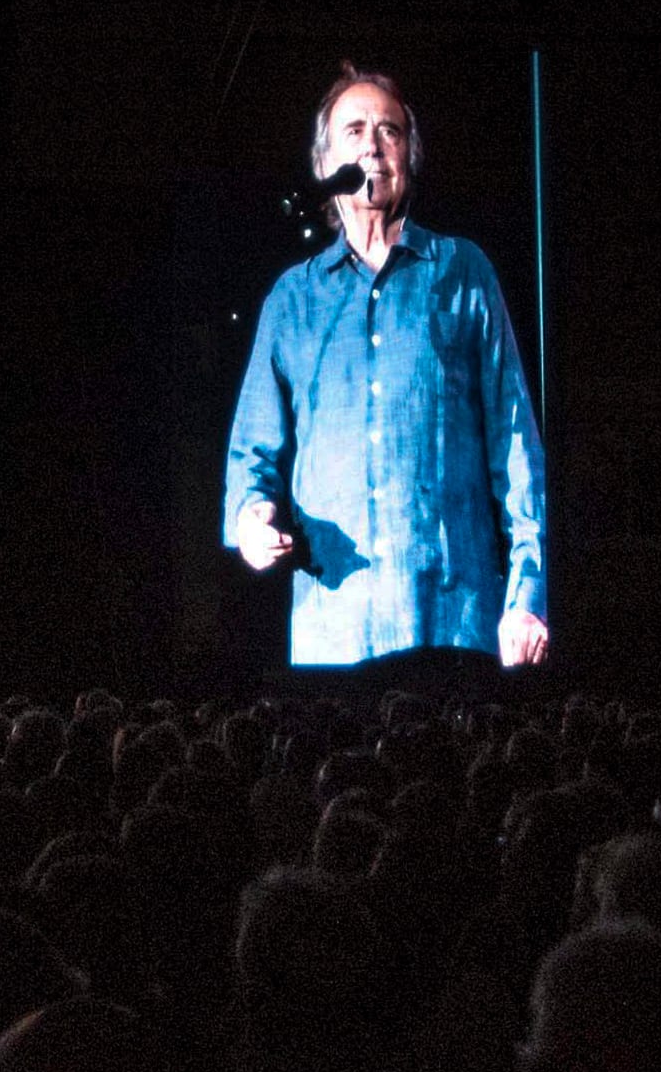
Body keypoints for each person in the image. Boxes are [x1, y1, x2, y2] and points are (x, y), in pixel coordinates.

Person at [224, 66, 548, 672]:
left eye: (389, 131)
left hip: (453, 625)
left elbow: (516, 448)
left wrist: (526, 597)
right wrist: (252, 521)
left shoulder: (463, 271)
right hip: (334, 633)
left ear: (409, 157)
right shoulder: (291, 301)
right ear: (325, 163)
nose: (372, 144)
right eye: (353, 130)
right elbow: (252, 460)